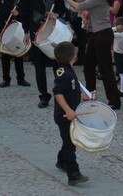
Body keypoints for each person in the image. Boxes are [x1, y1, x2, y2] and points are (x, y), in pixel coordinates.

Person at [58, 0, 121, 110]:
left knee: (105, 69)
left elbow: (78, 7)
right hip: (95, 34)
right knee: (88, 67)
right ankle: (89, 95)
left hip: (102, 34)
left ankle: (114, 100)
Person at [20, 0, 66, 108]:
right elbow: (24, 12)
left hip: (52, 30)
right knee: (39, 66)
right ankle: (44, 96)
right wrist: (26, 31)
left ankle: (59, 94)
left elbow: (62, 8)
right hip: (35, 31)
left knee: (56, 63)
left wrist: (56, 14)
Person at [52, 41, 89, 187]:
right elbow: (58, 93)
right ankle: (73, 173)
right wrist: (68, 110)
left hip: (70, 113)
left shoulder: (68, 70)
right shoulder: (64, 73)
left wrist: (82, 96)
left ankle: (61, 161)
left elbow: (70, 91)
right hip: (64, 116)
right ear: (73, 56)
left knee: (69, 140)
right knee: (70, 142)